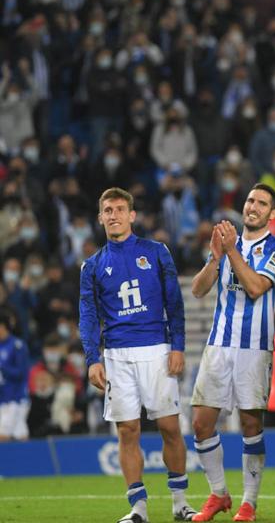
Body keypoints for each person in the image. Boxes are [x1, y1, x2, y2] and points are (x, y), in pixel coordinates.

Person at [79, 187, 196, 523]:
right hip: (116, 355)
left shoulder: (156, 252)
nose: (113, 215)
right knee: (127, 431)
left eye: (119, 209)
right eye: (107, 210)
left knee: (170, 427)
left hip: (157, 350)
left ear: (132, 215)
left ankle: (180, 503)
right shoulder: (93, 265)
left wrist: (177, 346)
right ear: (100, 217)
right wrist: (93, 358)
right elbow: (88, 316)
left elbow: (174, 303)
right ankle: (139, 508)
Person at [188, 184, 275, 523]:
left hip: (254, 349)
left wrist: (231, 252)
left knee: (250, 424)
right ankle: (218, 493)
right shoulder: (225, 245)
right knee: (201, 424)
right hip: (219, 344)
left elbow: (257, 287)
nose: (253, 207)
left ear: (272, 213)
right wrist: (216, 257)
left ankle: (249, 502)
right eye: (249, 201)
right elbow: (199, 290)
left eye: (261, 203)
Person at [0, 310, 30, 441]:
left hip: (14, 398)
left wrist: (2, 367)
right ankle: (29, 460)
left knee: (3, 435)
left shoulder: (17, 346)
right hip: (3, 398)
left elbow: (21, 373)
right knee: (20, 434)